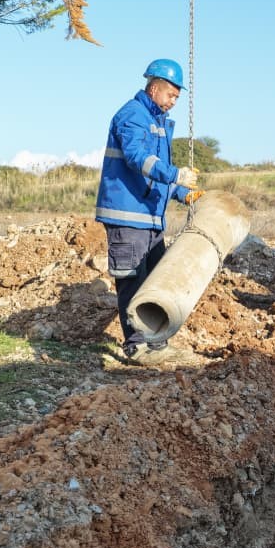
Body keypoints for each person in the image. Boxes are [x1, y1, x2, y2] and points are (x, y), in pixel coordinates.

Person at [96, 58, 204, 367]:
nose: (173, 102)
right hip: (128, 216)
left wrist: (182, 193)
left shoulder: (157, 121)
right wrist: (176, 175)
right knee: (133, 282)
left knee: (155, 283)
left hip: (150, 219)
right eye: (171, 95)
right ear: (154, 88)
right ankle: (138, 347)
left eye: (177, 98)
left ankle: (156, 344)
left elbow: (154, 176)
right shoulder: (133, 115)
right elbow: (137, 158)